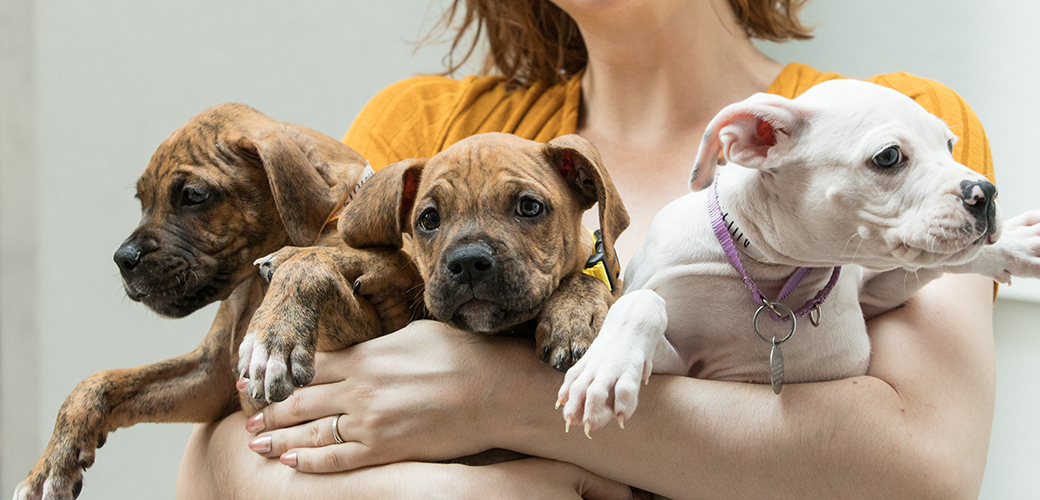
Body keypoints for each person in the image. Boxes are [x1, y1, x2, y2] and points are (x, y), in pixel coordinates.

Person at [175, 0, 997, 498]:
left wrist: (499, 398)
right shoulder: (423, 138)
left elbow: (922, 466)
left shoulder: (895, 133)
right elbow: (215, 467)